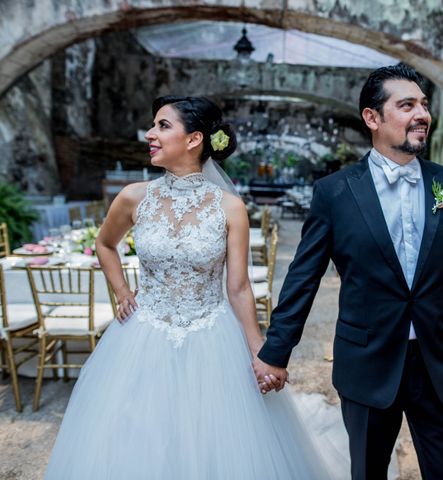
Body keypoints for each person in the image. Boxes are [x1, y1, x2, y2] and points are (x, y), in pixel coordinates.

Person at [45, 96, 333, 479]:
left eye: (163, 126)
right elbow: (105, 244)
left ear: (194, 139)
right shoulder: (133, 196)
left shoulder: (230, 207)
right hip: (141, 337)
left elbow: (239, 287)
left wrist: (258, 351)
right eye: (154, 125)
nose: (150, 134)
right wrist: (122, 291)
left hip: (211, 336)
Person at [254, 64, 443, 479]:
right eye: (407, 105)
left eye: (424, 105)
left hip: (437, 359)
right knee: (367, 471)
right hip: (366, 360)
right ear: (372, 118)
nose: (422, 114)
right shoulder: (335, 192)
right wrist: (275, 351)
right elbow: (303, 278)